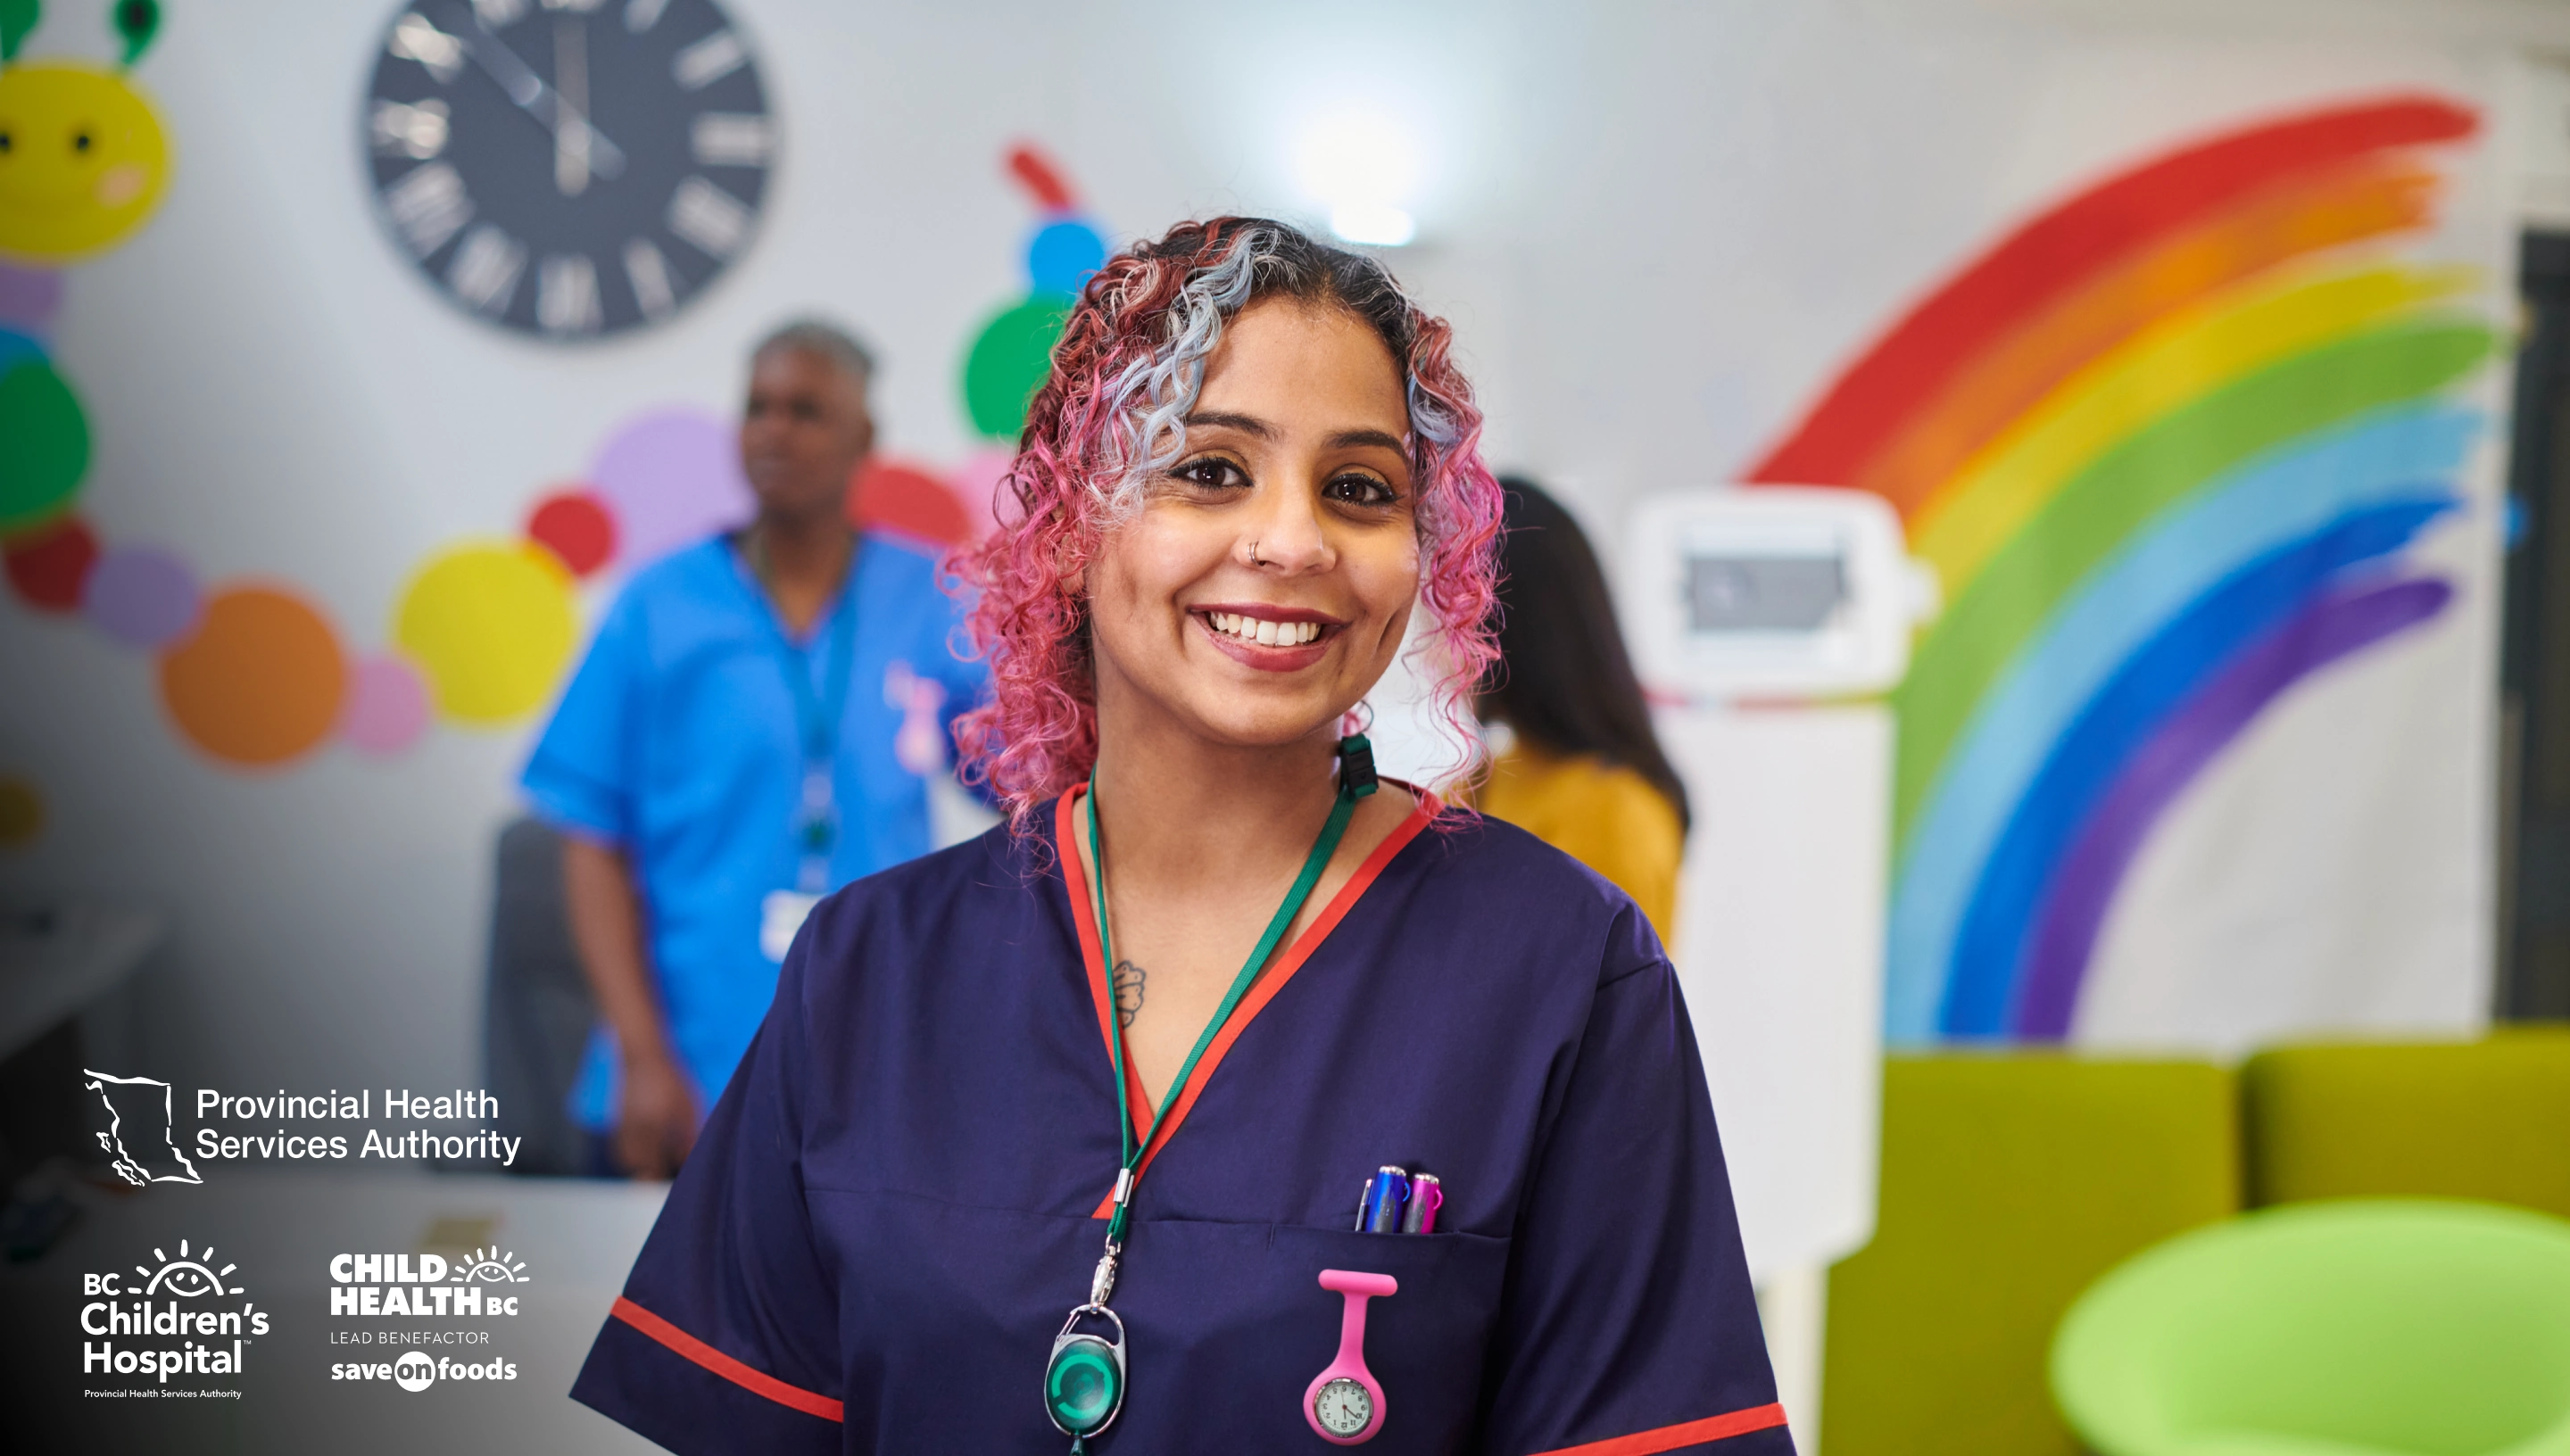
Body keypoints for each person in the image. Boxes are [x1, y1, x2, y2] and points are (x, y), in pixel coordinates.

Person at [570, 219, 1790, 1454]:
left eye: (1360, 489)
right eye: (1209, 470)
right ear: (1070, 523)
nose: (1294, 540)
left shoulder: (1563, 973)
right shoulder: (871, 973)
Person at [519, 319, 987, 1180]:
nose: (775, 430)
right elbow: (590, 844)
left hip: (870, 1075)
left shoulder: (930, 599)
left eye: (806, 410)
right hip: (683, 1072)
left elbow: (1022, 775)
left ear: (864, 440)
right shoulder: (659, 607)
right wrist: (641, 1058)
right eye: (758, 407)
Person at [1475, 477, 1693, 935]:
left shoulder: (1613, 815)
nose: (1431, 623)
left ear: (1509, 622)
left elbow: (1599, 1002)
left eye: (1453, 597)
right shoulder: (1475, 782)